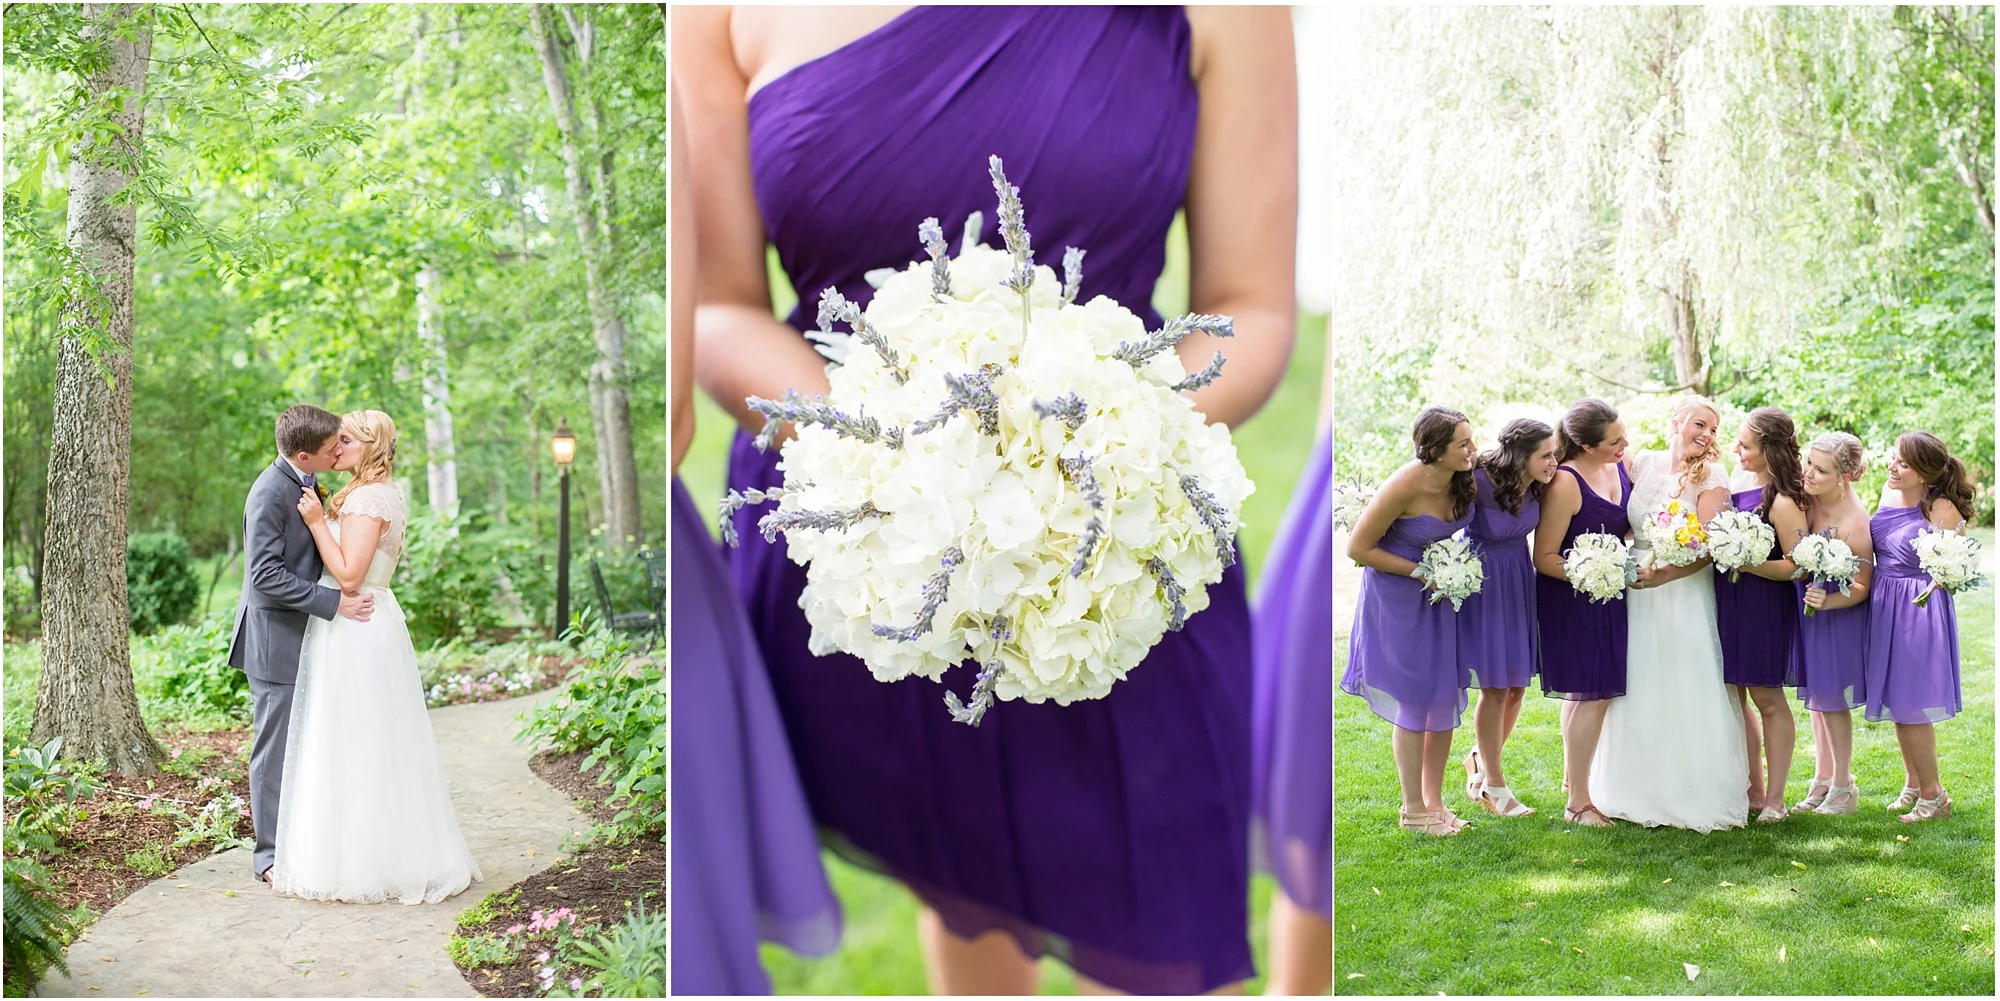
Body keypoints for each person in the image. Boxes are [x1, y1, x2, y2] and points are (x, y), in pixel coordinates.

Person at [676, 6, 1297, 992]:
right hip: (869, 533)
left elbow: (1250, 305)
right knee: (961, 883)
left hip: (1119, 535)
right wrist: (887, 451)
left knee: (1170, 912)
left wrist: (1092, 441)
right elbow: (717, 304)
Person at [273, 410, 483, 903]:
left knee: (358, 738)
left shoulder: (369, 498)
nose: (336, 444)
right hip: (357, 621)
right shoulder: (373, 492)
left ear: (370, 446)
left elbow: (348, 576)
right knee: (355, 735)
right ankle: (351, 854)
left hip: (356, 621)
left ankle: (363, 865)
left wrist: (317, 522)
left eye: (346, 439)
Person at [225, 404, 375, 886]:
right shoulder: (270, 493)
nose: (340, 452)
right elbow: (265, 576)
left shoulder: (305, 481)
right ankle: (267, 855)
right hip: (273, 639)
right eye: (333, 448)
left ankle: (297, 839)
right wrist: (331, 601)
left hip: (301, 635)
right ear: (306, 454)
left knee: (300, 744)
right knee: (273, 749)